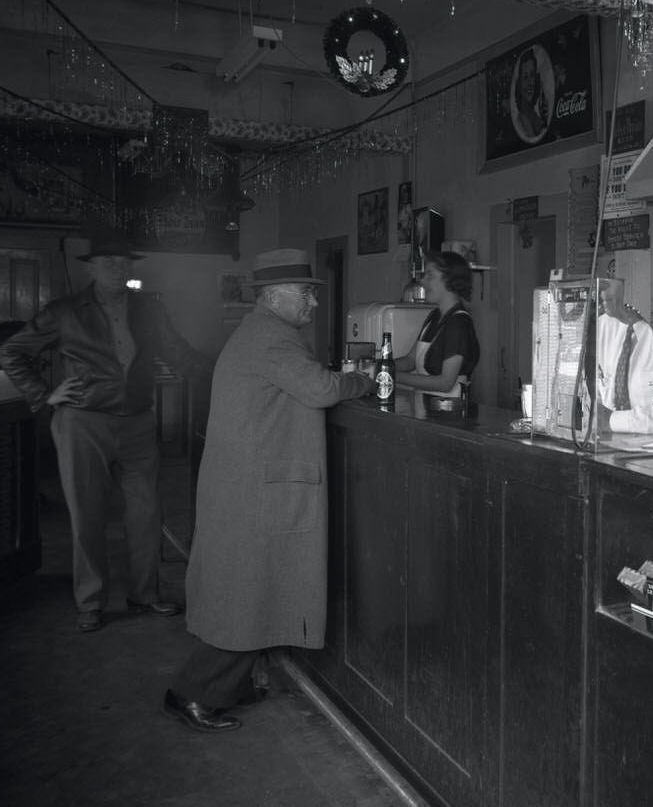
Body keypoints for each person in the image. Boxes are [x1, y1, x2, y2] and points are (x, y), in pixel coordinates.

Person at [162, 248, 377, 733]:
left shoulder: (263, 333)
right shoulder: (272, 339)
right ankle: (191, 694)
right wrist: (363, 380)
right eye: (306, 294)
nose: (313, 304)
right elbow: (322, 390)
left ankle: (228, 687)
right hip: (253, 490)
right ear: (275, 297)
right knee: (247, 596)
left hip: (246, 484)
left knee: (249, 593)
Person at [0, 227, 212, 633]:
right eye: (109, 261)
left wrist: (227, 373)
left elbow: (179, 353)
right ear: (92, 267)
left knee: (146, 512)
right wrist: (45, 394)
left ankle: (145, 594)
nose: (118, 267)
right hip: (83, 421)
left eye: (124, 261)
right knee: (87, 513)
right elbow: (12, 351)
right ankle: (90, 601)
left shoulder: (149, 308)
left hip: (137, 421)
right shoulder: (64, 311)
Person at [393, 250, 480, 399]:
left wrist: (390, 375)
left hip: (449, 412)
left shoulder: (459, 323)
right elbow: (410, 361)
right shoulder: (434, 316)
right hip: (426, 408)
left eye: (430, 276)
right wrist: (380, 366)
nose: (423, 281)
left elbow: (445, 383)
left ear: (450, 282)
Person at [594, 276, 653, 434]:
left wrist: (610, 420)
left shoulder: (651, 338)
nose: (604, 298)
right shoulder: (601, 328)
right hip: (607, 444)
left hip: (645, 447)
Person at [510, 45, 550, 143]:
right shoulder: (522, 120)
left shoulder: (535, 116)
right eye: (525, 77)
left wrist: (545, 119)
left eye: (532, 76)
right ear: (519, 84)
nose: (530, 83)